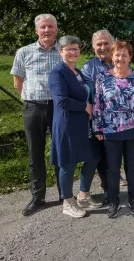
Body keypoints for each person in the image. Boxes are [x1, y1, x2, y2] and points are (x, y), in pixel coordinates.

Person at [81, 30, 134, 200]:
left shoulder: (130, 70)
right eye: (99, 44)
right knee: (107, 159)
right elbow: (87, 94)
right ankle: (109, 189)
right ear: (93, 47)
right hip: (102, 119)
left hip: (131, 122)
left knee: (132, 158)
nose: (103, 47)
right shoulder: (89, 68)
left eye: (106, 43)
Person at [11, 14, 62, 216]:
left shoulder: (64, 51)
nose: (47, 30)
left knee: (60, 151)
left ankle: (64, 194)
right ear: (36, 31)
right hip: (33, 108)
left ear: (56, 30)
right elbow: (18, 83)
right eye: (43, 27)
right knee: (35, 153)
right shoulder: (24, 52)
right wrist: (33, 98)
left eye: (50, 26)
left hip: (59, 107)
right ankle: (38, 196)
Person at [48, 35, 103, 218]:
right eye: (69, 49)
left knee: (93, 156)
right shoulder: (57, 73)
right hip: (68, 124)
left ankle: (84, 195)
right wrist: (85, 107)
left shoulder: (77, 72)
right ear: (61, 51)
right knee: (68, 163)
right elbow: (61, 101)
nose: (73, 52)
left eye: (76, 48)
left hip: (84, 123)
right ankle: (67, 202)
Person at [93, 40, 134, 218]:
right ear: (112, 56)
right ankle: (114, 200)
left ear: (130, 57)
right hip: (111, 130)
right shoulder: (103, 77)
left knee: (132, 166)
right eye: (117, 54)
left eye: (124, 55)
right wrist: (98, 128)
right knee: (113, 168)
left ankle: (133, 198)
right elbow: (97, 104)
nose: (120, 58)